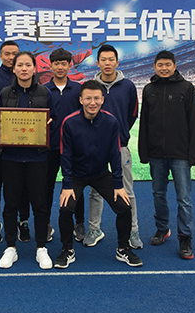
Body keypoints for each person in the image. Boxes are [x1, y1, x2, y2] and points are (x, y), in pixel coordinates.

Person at [55, 80, 142, 269]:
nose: (92, 102)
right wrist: (67, 185)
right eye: (88, 98)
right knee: (65, 209)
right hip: (77, 175)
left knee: (124, 207)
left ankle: (123, 248)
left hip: (101, 174)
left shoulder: (111, 121)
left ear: (103, 100)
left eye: (96, 98)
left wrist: (118, 185)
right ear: (81, 100)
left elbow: (115, 154)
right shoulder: (69, 122)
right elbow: (65, 155)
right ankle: (67, 250)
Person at [138, 50, 195, 260]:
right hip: (156, 153)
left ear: (174, 66)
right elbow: (144, 122)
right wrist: (144, 151)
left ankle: (185, 237)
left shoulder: (187, 88)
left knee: (184, 198)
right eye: (160, 65)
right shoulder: (149, 89)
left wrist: (194, 153)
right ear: (154, 67)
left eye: (167, 64)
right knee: (158, 193)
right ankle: (162, 228)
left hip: (180, 154)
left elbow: (194, 122)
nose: (164, 68)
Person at [0, 51, 56, 269]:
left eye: (28, 65)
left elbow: (54, 121)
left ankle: (41, 248)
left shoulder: (45, 92)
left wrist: (47, 126)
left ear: (34, 68)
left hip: (37, 158)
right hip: (11, 157)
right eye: (19, 65)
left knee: (39, 204)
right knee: (11, 204)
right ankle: (10, 247)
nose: (24, 69)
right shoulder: (5, 93)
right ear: (13, 69)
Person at [84, 44, 142, 249]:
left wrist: (121, 133)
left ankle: (133, 230)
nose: (107, 63)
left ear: (117, 62)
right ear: (97, 62)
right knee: (95, 191)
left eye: (111, 60)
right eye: (103, 60)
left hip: (120, 146)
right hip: (95, 147)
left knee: (127, 190)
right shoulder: (90, 86)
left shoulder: (128, 86)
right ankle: (94, 229)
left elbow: (132, 114)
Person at [0, 41, 30, 244]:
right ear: (0, 56)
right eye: (7, 54)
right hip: (0, 140)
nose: (11, 57)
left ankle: (23, 220)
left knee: (23, 185)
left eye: (14, 54)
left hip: (24, 141)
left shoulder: (28, 75)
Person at [43, 48, 85, 242]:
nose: (60, 67)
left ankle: (79, 223)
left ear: (70, 65)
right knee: (46, 187)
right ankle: (45, 224)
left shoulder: (78, 89)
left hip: (73, 148)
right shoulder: (43, 90)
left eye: (63, 63)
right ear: (50, 65)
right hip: (49, 147)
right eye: (56, 63)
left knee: (76, 188)